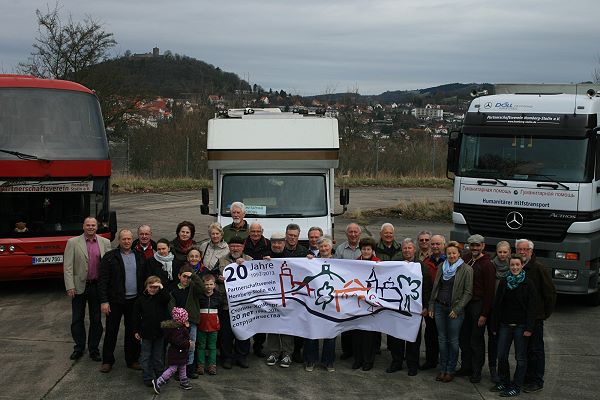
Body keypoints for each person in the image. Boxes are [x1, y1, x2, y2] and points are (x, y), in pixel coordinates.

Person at [63, 216, 112, 362]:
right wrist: (70, 285)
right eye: (88, 225)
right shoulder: (73, 242)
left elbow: (108, 267)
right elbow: (67, 266)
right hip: (78, 287)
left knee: (96, 320)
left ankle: (94, 349)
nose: (91, 227)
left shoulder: (105, 242)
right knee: (77, 319)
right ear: (83, 227)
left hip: (97, 287)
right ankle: (79, 347)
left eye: (93, 225)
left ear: (97, 227)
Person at [490, 254, 538, 398]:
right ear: (509, 266)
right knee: (501, 355)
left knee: (520, 358)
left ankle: (516, 386)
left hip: (521, 326)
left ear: (522, 265)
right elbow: (497, 305)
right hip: (505, 325)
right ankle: (503, 381)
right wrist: (494, 325)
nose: (515, 267)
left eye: (517, 265)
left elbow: (532, 308)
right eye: (512, 265)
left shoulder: (528, 284)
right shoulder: (504, 282)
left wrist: (529, 328)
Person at [98, 229, 146, 373]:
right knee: (111, 331)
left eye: (129, 239)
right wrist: (104, 301)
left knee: (133, 331)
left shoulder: (139, 256)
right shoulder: (110, 257)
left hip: (134, 301)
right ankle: (107, 361)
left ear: (133, 240)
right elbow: (103, 281)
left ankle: (132, 360)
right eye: (123, 239)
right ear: (119, 240)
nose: (126, 241)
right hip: (115, 301)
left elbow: (144, 278)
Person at [386, 238, 432, 376]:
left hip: (415, 308)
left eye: (409, 248)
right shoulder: (396, 265)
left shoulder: (421, 266)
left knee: (413, 338)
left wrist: (425, 306)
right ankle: (397, 362)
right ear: (402, 250)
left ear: (414, 250)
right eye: (405, 248)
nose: (407, 250)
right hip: (398, 306)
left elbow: (427, 287)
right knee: (396, 336)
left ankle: (413, 364)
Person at [515, 239, 556, 393]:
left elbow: (550, 293)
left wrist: (543, 314)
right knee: (523, 350)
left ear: (531, 251)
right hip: (519, 318)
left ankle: (536, 380)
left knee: (536, 350)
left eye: (526, 249)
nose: (522, 252)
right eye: (520, 249)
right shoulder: (516, 266)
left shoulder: (538, 268)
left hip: (535, 318)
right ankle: (525, 377)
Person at [429, 241, 473, 383]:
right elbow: (436, 287)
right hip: (440, 307)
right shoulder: (442, 266)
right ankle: (442, 369)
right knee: (442, 340)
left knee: (453, 341)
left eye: (454, 253)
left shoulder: (466, 269)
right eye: (449, 253)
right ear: (445, 254)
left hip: (454, 310)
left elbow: (468, 292)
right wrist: (431, 306)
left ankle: (450, 369)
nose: (452, 255)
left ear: (459, 254)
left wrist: (458, 309)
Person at [456, 234, 496, 383]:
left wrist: (484, 314)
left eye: (477, 245)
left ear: (483, 246)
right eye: (472, 245)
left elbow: (490, 291)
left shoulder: (487, 264)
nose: (474, 248)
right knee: (463, 338)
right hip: (464, 304)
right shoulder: (465, 259)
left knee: (476, 340)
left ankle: (477, 370)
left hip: (478, 305)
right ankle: (466, 366)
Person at [217, 237, 253, 369]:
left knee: (243, 332)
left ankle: (242, 357)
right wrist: (218, 278)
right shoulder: (221, 260)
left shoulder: (250, 260)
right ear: (229, 247)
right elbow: (212, 276)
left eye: (238, 246)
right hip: (226, 303)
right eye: (232, 246)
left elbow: (258, 278)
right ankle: (226, 358)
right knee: (226, 334)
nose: (235, 249)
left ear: (243, 247)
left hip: (244, 305)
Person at [303, 237, 337, 373]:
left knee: (331, 332)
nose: (323, 249)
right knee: (312, 331)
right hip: (313, 301)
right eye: (321, 247)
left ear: (330, 247)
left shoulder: (339, 262)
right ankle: (311, 360)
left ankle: (328, 361)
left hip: (332, 302)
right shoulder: (311, 261)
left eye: (326, 246)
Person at [133, 276, 171, 387]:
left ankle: (160, 375)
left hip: (159, 333)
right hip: (145, 333)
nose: (153, 289)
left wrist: (161, 287)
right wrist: (136, 330)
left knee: (158, 356)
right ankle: (147, 377)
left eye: (156, 287)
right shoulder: (141, 300)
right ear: (146, 287)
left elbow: (167, 298)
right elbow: (135, 317)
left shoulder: (161, 298)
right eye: (151, 287)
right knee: (145, 356)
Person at [264, 232, 294, 368]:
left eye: (279, 242)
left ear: (284, 243)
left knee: (287, 326)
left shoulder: (292, 257)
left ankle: (287, 353)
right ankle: (273, 352)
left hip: (288, 298)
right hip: (270, 298)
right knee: (272, 325)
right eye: (274, 242)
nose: (277, 245)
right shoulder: (264, 256)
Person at [169, 264, 204, 379]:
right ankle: (179, 370)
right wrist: (176, 317)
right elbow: (171, 306)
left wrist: (193, 276)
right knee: (178, 346)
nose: (186, 279)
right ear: (179, 276)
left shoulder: (193, 289)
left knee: (191, 345)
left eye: (189, 277)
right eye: (184, 276)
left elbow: (202, 288)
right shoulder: (174, 291)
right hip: (178, 324)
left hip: (191, 322)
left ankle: (190, 368)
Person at [242, 222, 271, 357]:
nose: (255, 234)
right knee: (247, 317)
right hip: (246, 286)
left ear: (262, 231)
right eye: (253, 231)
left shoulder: (268, 244)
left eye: (258, 231)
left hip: (262, 286)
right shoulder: (242, 243)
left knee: (261, 317)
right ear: (249, 232)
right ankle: (244, 346)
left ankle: (258, 346)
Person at [352, 237, 380, 372]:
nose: (366, 251)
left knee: (369, 334)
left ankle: (368, 360)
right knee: (357, 332)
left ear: (372, 250)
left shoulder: (379, 264)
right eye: (364, 249)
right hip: (358, 302)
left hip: (372, 303)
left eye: (369, 249)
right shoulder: (356, 263)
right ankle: (358, 359)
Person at [335, 222, 362, 360]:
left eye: (355, 232)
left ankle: (359, 350)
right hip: (345, 291)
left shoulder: (366, 248)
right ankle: (347, 350)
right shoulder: (340, 249)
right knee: (345, 322)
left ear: (360, 234)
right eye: (350, 232)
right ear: (346, 234)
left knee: (359, 322)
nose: (353, 234)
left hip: (361, 292)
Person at [282, 223, 309, 362]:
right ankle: (283, 351)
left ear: (298, 237)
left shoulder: (304, 252)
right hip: (282, 293)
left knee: (299, 323)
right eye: (290, 235)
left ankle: (297, 350)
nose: (292, 238)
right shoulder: (279, 250)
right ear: (285, 235)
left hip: (299, 294)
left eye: (295, 236)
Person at [152, 307, 193, 394]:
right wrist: (188, 343)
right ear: (181, 320)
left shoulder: (180, 328)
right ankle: (159, 381)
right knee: (173, 369)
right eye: (185, 319)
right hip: (176, 353)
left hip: (181, 353)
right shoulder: (176, 330)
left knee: (183, 366)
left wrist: (187, 328)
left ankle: (183, 381)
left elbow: (184, 335)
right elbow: (179, 341)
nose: (187, 320)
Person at [420, 234, 446, 370]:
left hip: (444, 304)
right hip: (430, 303)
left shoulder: (449, 261)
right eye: (433, 244)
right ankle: (431, 360)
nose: (435, 246)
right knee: (430, 333)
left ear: (444, 245)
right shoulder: (425, 263)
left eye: (438, 244)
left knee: (444, 334)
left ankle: (444, 362)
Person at [488, 240, 512, 383]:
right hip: (492, 309)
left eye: (505, 252)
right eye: (500, 252)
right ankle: (492, 369)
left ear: (509, 252)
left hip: (505, 311)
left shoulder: (513, 267)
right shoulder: (490, 266)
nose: (502, 255)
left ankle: (503, 370)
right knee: (493, 340)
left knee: (504, 343)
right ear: (496, 252)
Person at [196, 274, 222, 376]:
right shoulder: (199, 296)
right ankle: (200, 365)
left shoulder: (218, 296)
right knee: (201, 346)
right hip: (201, 325)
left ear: (214, 285)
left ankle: (212, 365)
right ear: (203, 285)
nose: (209, 287)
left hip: (213, 326)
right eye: (206, 284)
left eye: (211, 284)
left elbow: (220, 310)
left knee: (212, 346)